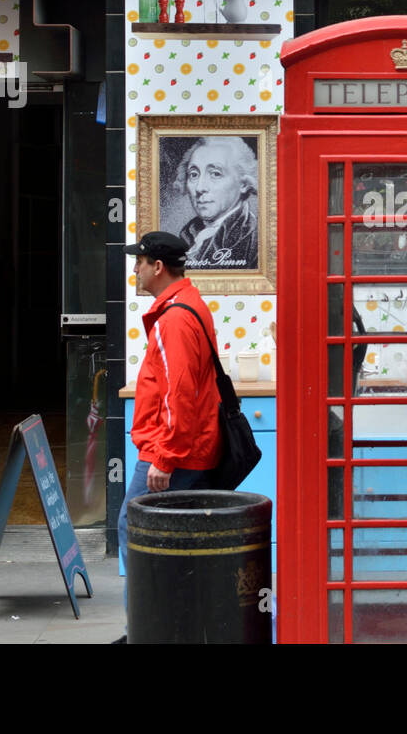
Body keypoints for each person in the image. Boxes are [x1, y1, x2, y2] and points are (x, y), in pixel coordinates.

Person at [116, 231, 222, 642]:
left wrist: (164, 456)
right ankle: (174, 627)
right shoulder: (189, 304)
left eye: (138, 261)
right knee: (179, 544)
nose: (135, 269)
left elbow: (180, 393)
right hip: (189, 448)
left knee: (134, 529)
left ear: (157, 267)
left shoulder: (174, 318)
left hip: (173, 452)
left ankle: (145, 630)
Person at [175, 136, 258, 269]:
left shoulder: (255, 239)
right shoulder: (188, 234)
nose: (200, 188)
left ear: (243, 184)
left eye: (215, 174)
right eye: (194, 174)